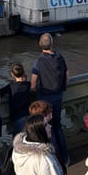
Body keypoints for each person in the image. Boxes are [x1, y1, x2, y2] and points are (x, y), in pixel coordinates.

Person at [31, 33, 69, 165]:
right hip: (58, 96)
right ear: (52, 44)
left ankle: (55, 159)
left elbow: (33, 84)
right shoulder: (60, 58)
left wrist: (36, 91)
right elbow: (67, 75)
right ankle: (65, 157)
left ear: (40, 45)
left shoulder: (38, 61)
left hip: (44, 98)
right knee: (58, 126)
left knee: (48, 128)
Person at [2, 62, 32, 134]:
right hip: (28, 114)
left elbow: (0, 92)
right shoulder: (28, 85)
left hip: (17, 117)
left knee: (18, 140)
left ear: (12, 74)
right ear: (24, 72)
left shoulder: (11, 86)